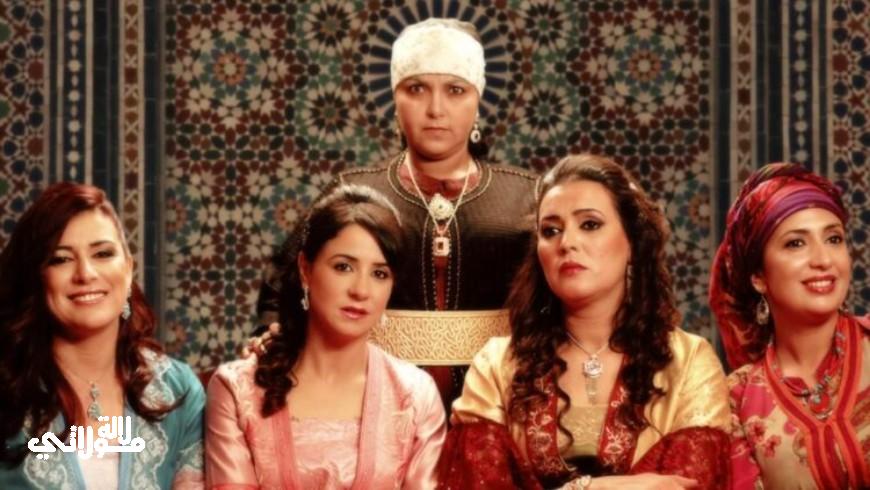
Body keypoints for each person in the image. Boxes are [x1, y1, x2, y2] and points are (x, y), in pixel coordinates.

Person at [255, 18, 538, 410]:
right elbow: (283, 284)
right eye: (416, 89)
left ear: (478, 100)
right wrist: (275, 336)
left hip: (500, 402)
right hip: (373, 401)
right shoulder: (354, 193)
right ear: (395, 98)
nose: (436, 109)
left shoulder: (527, 197)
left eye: (455, 90)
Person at [438, 154, 731, 489]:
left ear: (633, 242)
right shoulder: (498, 365)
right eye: (551, 231)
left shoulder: (689, 361)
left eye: (590, 224)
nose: (567, 243)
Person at [207, 185, 446, 489]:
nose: (361, 290)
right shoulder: (237, 389)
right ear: (305, 269)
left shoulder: (415, 395)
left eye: (379, 274)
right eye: (343, 267)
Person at [0, 182, 204, 489]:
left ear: (128, 269)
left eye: (103, 253)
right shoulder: (7, 387)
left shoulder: (178, 390)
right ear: (35, 278)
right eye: (61, 259)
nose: (86, 273)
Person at [710, 163, 870, 489]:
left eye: (834, 239)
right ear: (758, 277)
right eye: (796, 243)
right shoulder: (737, 401)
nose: (823, 260)